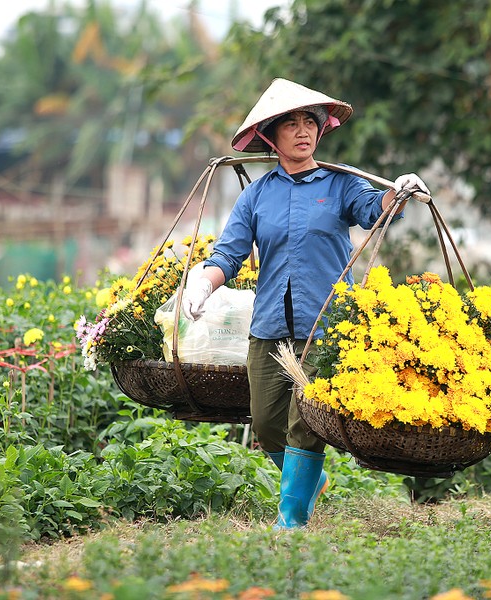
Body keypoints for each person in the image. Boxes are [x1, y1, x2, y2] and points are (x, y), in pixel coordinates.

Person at [181, 78, 429, 529]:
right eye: (291, 124)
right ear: (270, 137)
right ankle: (309, 482)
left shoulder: (339, 185)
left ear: (320, 129)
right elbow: (229, 253)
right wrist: (204, 282)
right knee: (266, 422)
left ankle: (291, 519)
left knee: (305, 423)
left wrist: (399, 192)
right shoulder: (257, 195)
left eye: (310, 122)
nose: (303, 131)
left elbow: (377, 209)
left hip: (326, 325)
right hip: (270, 325)